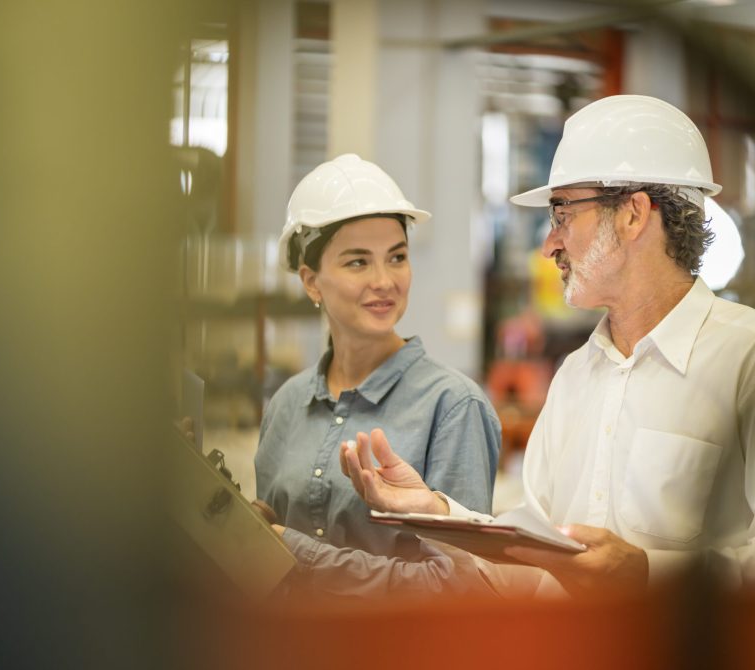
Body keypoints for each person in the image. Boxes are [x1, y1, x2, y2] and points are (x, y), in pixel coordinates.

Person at [281, 95, 755, 598]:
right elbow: (528, 563)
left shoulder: (742, 361)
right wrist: (433, 510)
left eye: (563, 213)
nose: (549, 244)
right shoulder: (577, 375)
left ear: (633, 214)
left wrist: (645, 573)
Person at [256, 153, 500, 560]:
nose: (385, 281)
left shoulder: (453, 406)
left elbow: (464, 583)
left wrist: (295, 554)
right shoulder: (286, 405)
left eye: (397, 257)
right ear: (312, 282)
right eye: (358, 262)